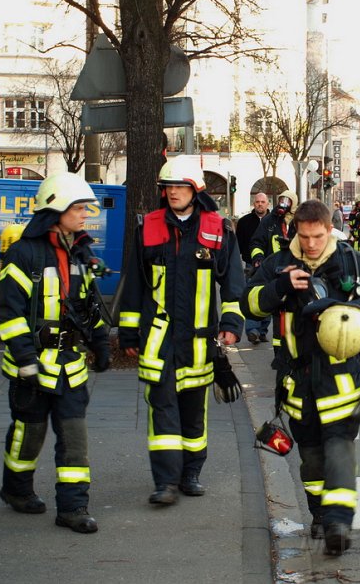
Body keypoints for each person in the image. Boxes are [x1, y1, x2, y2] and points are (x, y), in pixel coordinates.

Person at [240, 199, 360, 555]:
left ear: (329, 230)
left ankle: (339, 522)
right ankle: (320, 515)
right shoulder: (280, 264)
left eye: (318, 236)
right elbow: (249, 303)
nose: (311, 243)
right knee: (311, 459)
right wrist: (279, 288)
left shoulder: (349, 259)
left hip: (341, 381)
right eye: (304, 236)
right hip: (298, 384)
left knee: (340, 447)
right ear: (296, 230)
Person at [118, 155, 245, 506]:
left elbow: (233, 282)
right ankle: (165, 482)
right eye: (167, 187)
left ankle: (191, 473)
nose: (172, 192)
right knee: (162, 408)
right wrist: (128, 333)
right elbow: (135, 285)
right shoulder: (149, 227)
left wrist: (232, 324)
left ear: (195, 190)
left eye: (179, 186)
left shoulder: (217, 229)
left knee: (193, 410)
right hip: (158, 339)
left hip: (200, 340)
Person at [0, 172, 111, 534]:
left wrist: (101, 341)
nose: (84, 215)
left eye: (84, 208)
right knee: (28, 436)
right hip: (31, 368)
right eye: (77, 208)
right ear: (55, 209)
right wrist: (26, 359)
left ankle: (74, 507)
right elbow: (8, 313)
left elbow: (89, 305)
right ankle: (16, 489)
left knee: (74, 438)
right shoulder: (23, 253)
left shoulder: (81, 252)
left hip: (69, 367)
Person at [248, 189, 299, 352]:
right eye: (281, 199)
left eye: (287, 200)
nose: (283, 203)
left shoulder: (300, 220)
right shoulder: (270, 220)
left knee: (295, 310)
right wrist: (258, 259)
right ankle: (279, 351)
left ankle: (296, 346)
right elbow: (256, 242)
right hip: (273, 271)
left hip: (296, 271)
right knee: (277, 310)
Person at [235, 192, 271, 344]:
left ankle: (262, 330)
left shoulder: (274, 221)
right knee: (251, 297)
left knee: (269, 298)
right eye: (257, 202)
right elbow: (238, 243)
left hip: (270, 266)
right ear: (253, 203)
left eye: (263, 202)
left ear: (267, 203)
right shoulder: (244, 222)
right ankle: (252, 331)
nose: (260, 204)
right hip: (251, 266)